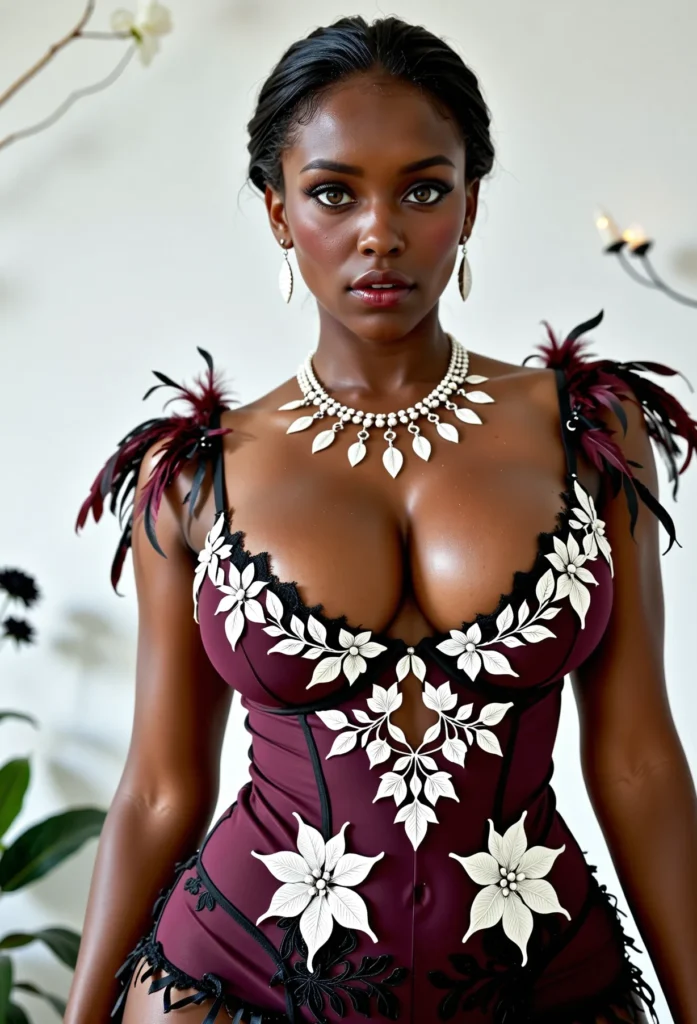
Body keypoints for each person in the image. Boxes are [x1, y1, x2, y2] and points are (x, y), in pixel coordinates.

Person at [64, 15, 697, 1024]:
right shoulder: (189, 474)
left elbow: (636, 758)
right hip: (229, 985)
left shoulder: (595, 433)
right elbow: (156, 789)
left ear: (471, 204)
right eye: (332, 192)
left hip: (540, 985)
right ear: (277, 211)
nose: (380, 233)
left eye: (423, 188)